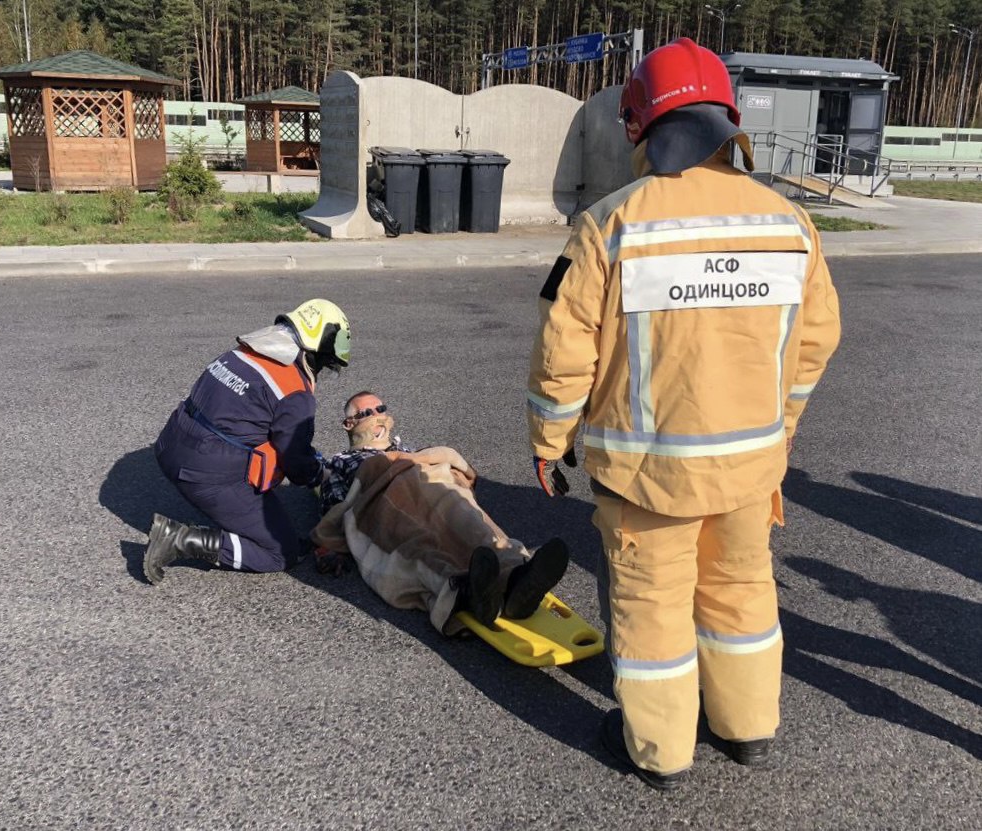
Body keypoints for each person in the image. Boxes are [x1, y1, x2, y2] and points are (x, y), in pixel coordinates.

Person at [526, 38, 841, 790]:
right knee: (741, 589)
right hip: (748, 467)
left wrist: (549, 440)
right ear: (729, 121)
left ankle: (662, 750)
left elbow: (563, 351)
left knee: (652, 607)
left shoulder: (611, 224)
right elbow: (816, 339)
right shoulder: (789, 224)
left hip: (646, 474)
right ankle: (747, 726)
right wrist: (779, 428)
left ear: (640, 126)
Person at [313, 390, 570, 632]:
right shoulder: (341, 462)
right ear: (349, 425)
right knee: (419, 540)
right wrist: (330, 547)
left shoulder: (408, 451)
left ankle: (516, 577)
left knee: (469, 517)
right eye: (366, 413)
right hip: (386, 497)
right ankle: (465, 591)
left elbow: (442, 463)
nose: (377, 416)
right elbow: (338, 507)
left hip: (434, 485)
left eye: (380, 408)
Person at [143, 299, 351, 584]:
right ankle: (182, 539)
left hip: (169, 445)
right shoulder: (294, 390)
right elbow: (296, 463)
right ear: (318, 350)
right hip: (204, 472)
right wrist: (320, 474)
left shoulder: (242, 353)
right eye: (326, 364)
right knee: (280, 552)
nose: (323, 372)